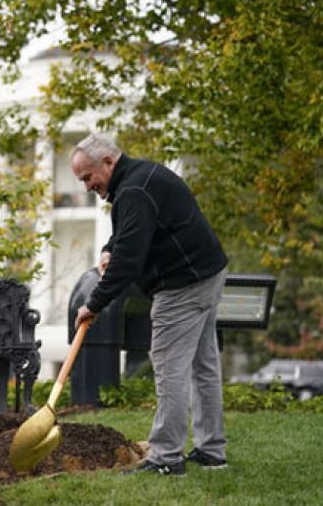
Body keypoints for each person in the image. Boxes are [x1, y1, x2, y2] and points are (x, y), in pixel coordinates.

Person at [70, 133, 229, 476]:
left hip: (183, 284)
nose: (86, 186)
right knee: (204, 365)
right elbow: (130, 234)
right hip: (208, 272)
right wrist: (108, 249)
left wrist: (93, 304)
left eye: (87, 177)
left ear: (109, 163)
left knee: (170, 368)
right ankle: (212, 451)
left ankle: (166, 457)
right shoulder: (141, 176)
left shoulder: (133, 191)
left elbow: (128, 260)